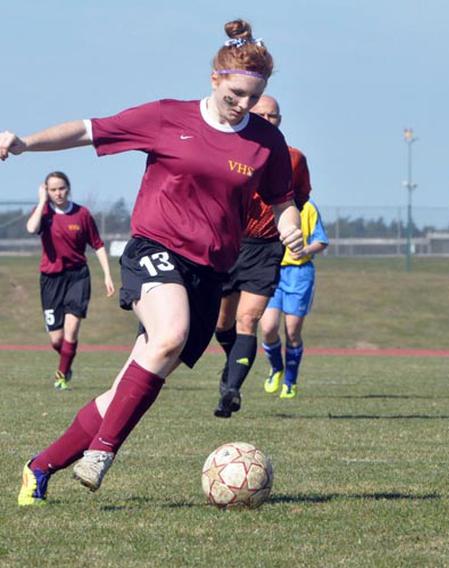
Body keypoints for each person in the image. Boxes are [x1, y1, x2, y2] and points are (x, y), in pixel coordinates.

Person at [9, 19, 304, 506]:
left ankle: (39, 467)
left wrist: (289, 222)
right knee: (169, 335)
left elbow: (280, 200)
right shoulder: (168, 117)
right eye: (236, 94)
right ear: (215, 78)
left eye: (254, 98)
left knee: (134, 380)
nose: (244, 106)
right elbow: (89, 129)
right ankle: (103, 451)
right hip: (155, 248)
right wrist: (26, 144)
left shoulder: (266, 143)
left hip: (210, 272)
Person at [212, 94, 312, 418]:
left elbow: (298, 199)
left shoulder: (294, 158)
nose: (269, 121)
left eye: (275, 117)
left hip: (267, 247)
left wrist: (290, 229)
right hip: (229, 242)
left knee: (248, 318)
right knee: (222, 323)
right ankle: (232, 364)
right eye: (263, 115)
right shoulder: (227, 150)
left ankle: (231, 391)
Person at [25, 171, 115, 390]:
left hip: (77, 277)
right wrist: (41, 202)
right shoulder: (44, 212)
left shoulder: (82, 214)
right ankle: (67, 360)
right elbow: (31, 228)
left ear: (68, 188)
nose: (58, 193)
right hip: (50, 279)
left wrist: (107, 275)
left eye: (62, 188)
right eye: (53, 189)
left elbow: (98, 245)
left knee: (72, 330)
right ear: (47, 190)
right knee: (57, 340)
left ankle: (61, 376)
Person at [259, 199, 329, 399]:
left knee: (292, 331)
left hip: (299, 274)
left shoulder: (309, 206)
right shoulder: (269, 202)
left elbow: (321, 240)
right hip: (272, 270)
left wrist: (305, 250)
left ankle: (290, 381)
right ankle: (276, 368)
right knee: (268, 328)